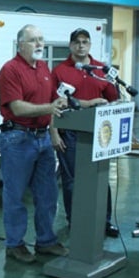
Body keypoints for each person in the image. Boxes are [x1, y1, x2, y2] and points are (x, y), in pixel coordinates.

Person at [0, 24, 70, 264]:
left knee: (47, 194)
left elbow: (51, 104)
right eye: (33, 40)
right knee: (15, 196)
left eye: (41, 39)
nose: (39, 44)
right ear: (20, 45)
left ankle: (46, 241)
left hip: (42, 139)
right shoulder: (10, 70)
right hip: (18, 139)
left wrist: (53, 131)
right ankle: (15, 245)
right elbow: (17, 107)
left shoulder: (43, 68)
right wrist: (50, 107)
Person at [50, 28, 120, 238]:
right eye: (77, 42)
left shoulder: (100, 69)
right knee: (71, 180)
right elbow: (52, 104)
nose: (81, 46)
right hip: (69, 133)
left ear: (90, 45)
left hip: (98, 133)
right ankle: (75, 221)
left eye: (85, 42)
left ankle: (104, 221)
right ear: (71, 45)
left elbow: (113, 99)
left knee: (100, 177)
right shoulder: (60, 71)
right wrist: (54, 133)